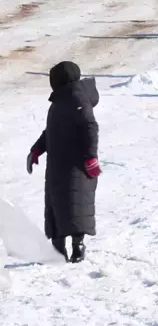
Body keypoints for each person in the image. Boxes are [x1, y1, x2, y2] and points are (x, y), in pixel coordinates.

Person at [27, 61, 101, 263]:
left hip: (76, 164)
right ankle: (57, 248)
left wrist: (91, 157)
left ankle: (78, 246)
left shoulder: (77, 98)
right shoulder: (60, 101)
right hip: (57, 165)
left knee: (76, 206)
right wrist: (36, 149)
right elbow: (50, 131)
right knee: (57, 206)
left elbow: (90, 128)